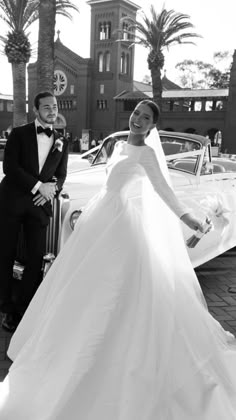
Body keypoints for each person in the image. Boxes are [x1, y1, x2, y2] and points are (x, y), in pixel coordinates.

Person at [0, 100, 236, 419]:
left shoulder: (148, 154)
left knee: (123, 290)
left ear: (153, 125)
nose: (138, 119)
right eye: (136, 113)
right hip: (100, 221)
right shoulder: (119, 143)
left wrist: (189, 218)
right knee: (83, 290)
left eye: (146, 117)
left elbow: (163, 190)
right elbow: (110, 183)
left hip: (124, 226)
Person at [0, 91, 69, 332]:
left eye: (55, 106)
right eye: (47, 107)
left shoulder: (62, 140)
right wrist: (40, 185)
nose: (52, 110)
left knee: (35, 257)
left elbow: (61, 175)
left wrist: (52, 189)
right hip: (12, 202)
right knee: (5, 255)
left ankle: (23, 308)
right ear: (36, 110)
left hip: (40, 205)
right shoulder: (19, 134)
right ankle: (6, 308)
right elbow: (10, 167)